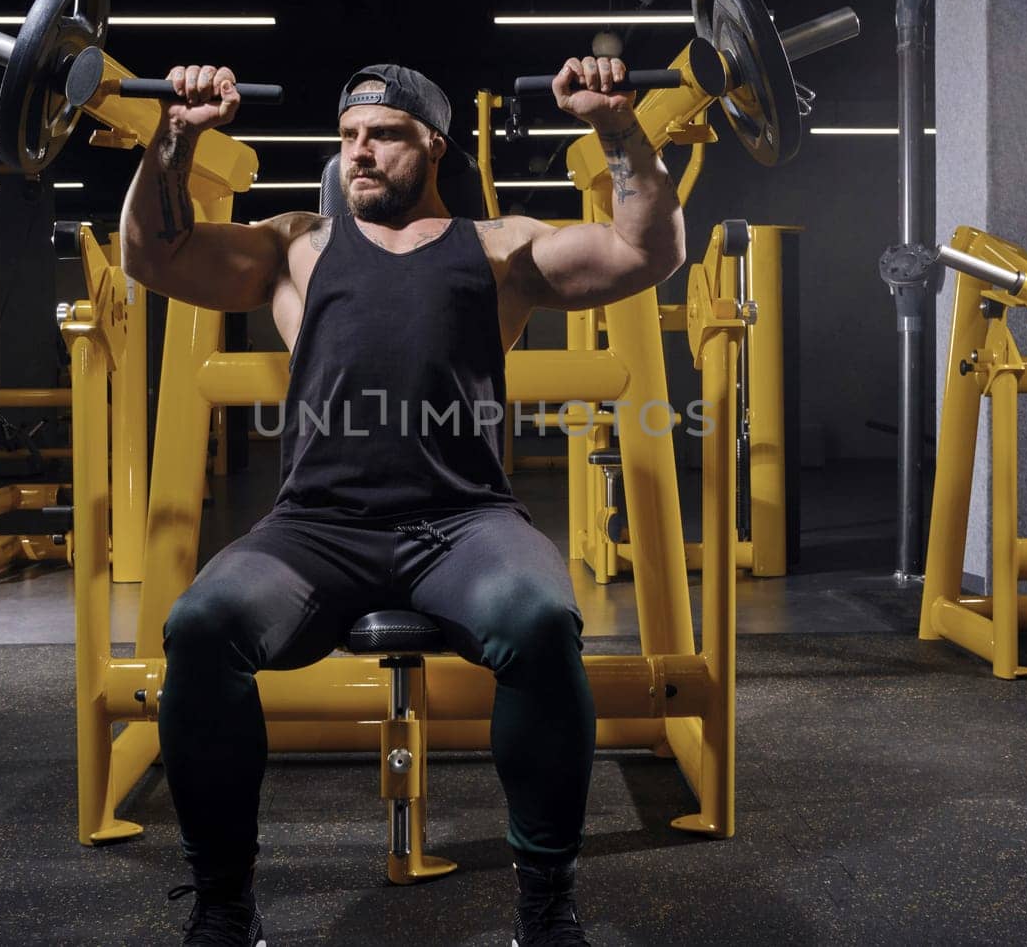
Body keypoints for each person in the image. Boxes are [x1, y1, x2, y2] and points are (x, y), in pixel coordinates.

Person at [121, 54, 685, 946]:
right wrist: (176, 136)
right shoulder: (296, 248)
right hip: (317, 530)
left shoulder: (499, 249)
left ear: (432, 143)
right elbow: (153, 253)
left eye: (383, 135)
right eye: (348, 138)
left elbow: (645, 250)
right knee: (199, 627)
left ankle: (546, 904)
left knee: (542, 622)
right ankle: (225, 904)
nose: (361, 154)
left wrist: (616, 125)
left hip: (463, 523)